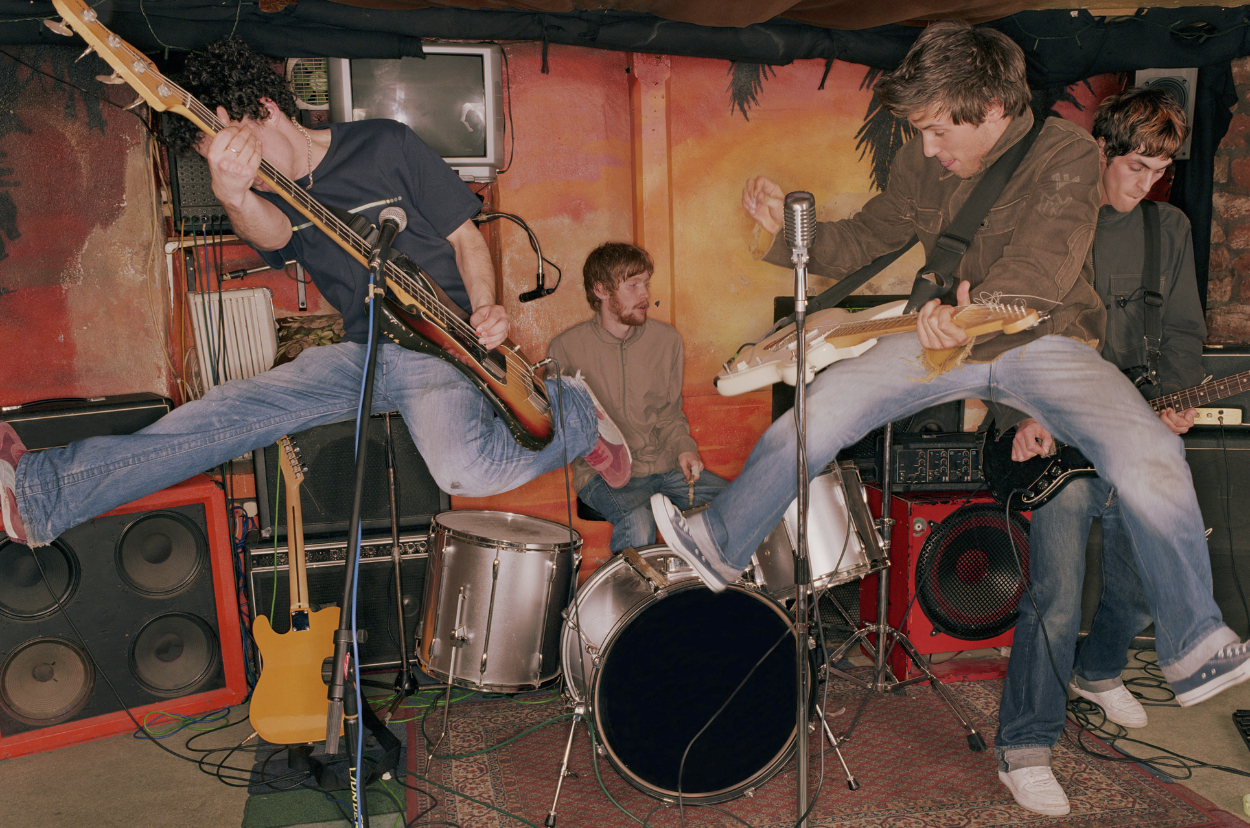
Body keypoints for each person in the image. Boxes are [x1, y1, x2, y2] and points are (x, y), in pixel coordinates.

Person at [645, 20, 1250, 817]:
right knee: (819, 412)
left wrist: (970, 315)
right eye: (922, 132)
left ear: (993, 108)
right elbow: (871, 234)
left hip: (1039, 340)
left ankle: (1196, 641)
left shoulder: (1066, 154)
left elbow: (1040, 271)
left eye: (938, 131)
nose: (927, 148)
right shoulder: (922, 159)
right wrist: (787, 233)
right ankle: (721, 544)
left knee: (1147, 453)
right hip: (943, 337)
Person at [0, 37, 631, 552]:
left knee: (464, 471)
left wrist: (487, 306)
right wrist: (232, 194)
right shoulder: (268, 193)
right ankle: (41, 494)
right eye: (224, 161)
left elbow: (465, 238)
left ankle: (575, 411)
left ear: (267, 109)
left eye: (240, 152)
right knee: (229, 414)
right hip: (363, 351)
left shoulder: (385, 143)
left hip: (442, 344)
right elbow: (274, 235)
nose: (246, 172)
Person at [990, 87, 1207, 815]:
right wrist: (1021, 413)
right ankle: (1024, 748)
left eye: (1160, 171)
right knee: (1056, 598)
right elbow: (998, 326)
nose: (1146, 184)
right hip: (1052, 423)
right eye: (1136, 166)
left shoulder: (1167, 230)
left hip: (1133, 422)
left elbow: (1182, 331)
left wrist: (1175, 399)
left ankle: (1100, 669)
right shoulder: (1050, 219)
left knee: (1147, 579)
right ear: (1103, 151)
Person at [546, 242, 729, 555]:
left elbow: (670, 414)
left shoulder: (666, 340)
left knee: (739, 503)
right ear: (601, 289)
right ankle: (632, 588)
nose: (644, 295)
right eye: (632, 286)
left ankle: (708, 585)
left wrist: (685, 449)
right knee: (638, 519)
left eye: (646, 284)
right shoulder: (565, 348)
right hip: (604, 476)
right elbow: (561, 429)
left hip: (665, 466)